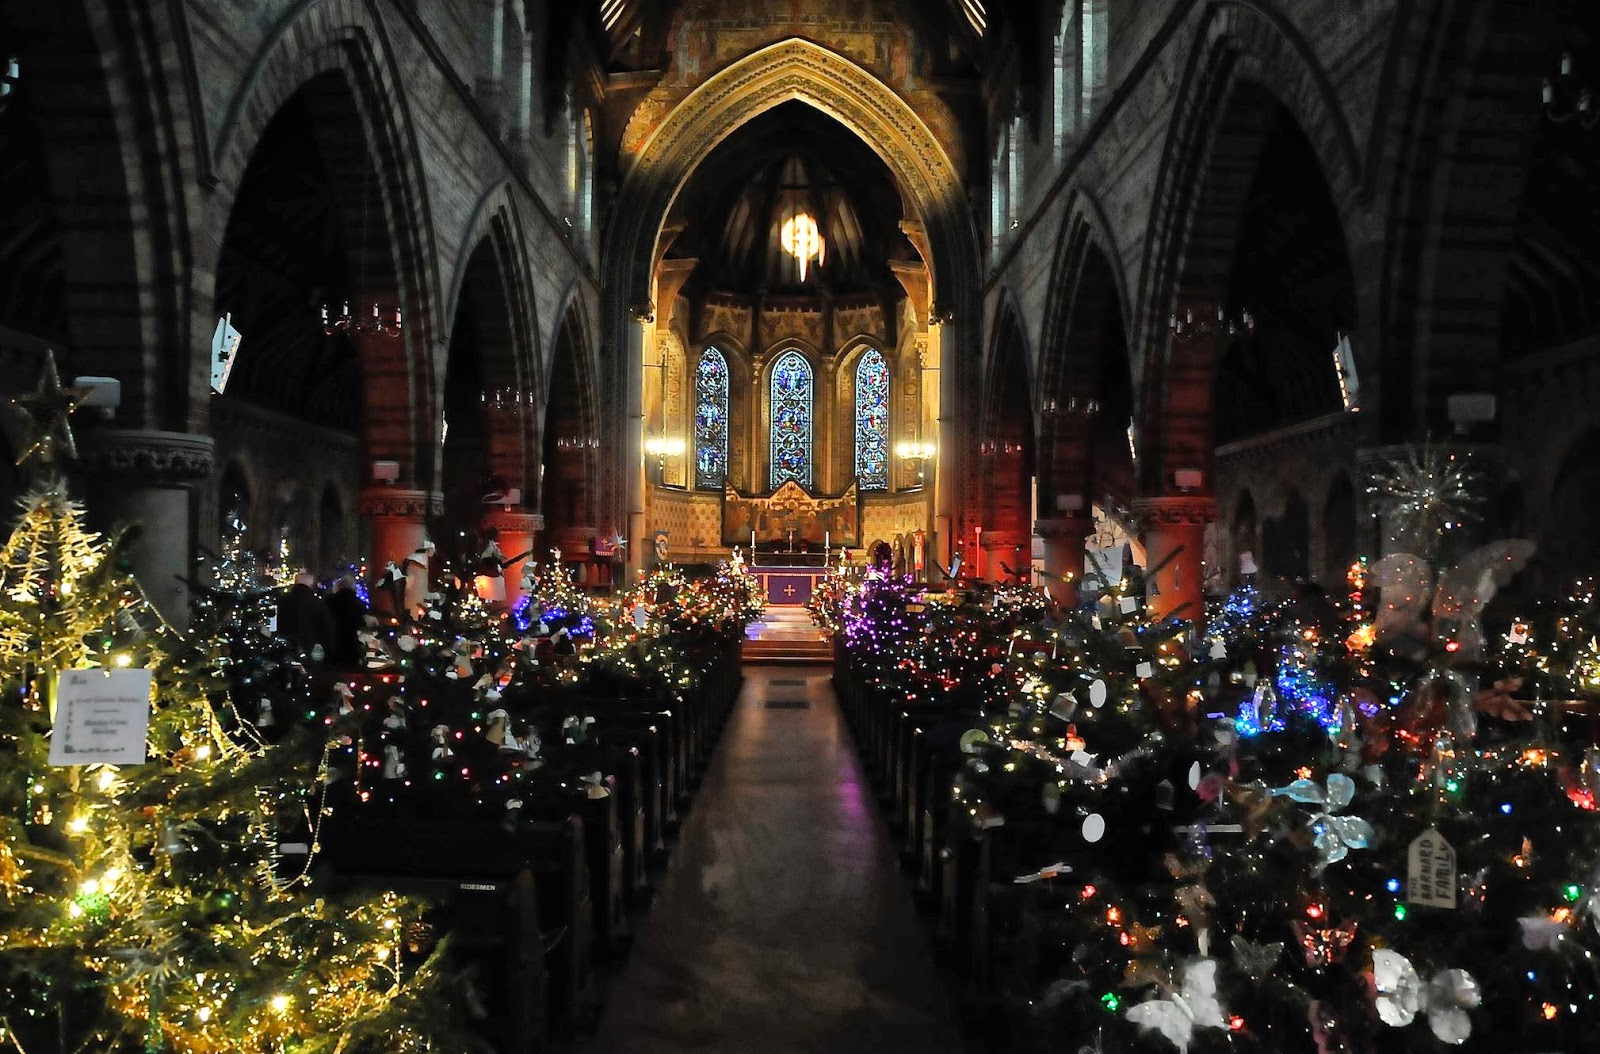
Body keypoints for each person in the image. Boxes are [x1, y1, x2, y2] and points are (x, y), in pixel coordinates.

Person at [276, 571, 335, 661]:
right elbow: (327, 627)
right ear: (310, 584)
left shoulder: (282, 601)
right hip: (310, 648)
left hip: (286, 648)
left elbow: (274, 624)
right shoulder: (317, 603)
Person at [325, 575, 367, 668]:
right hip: (352, 646)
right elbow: (362, 624)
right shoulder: (359, 604)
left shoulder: (329, 602)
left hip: (333, 644)